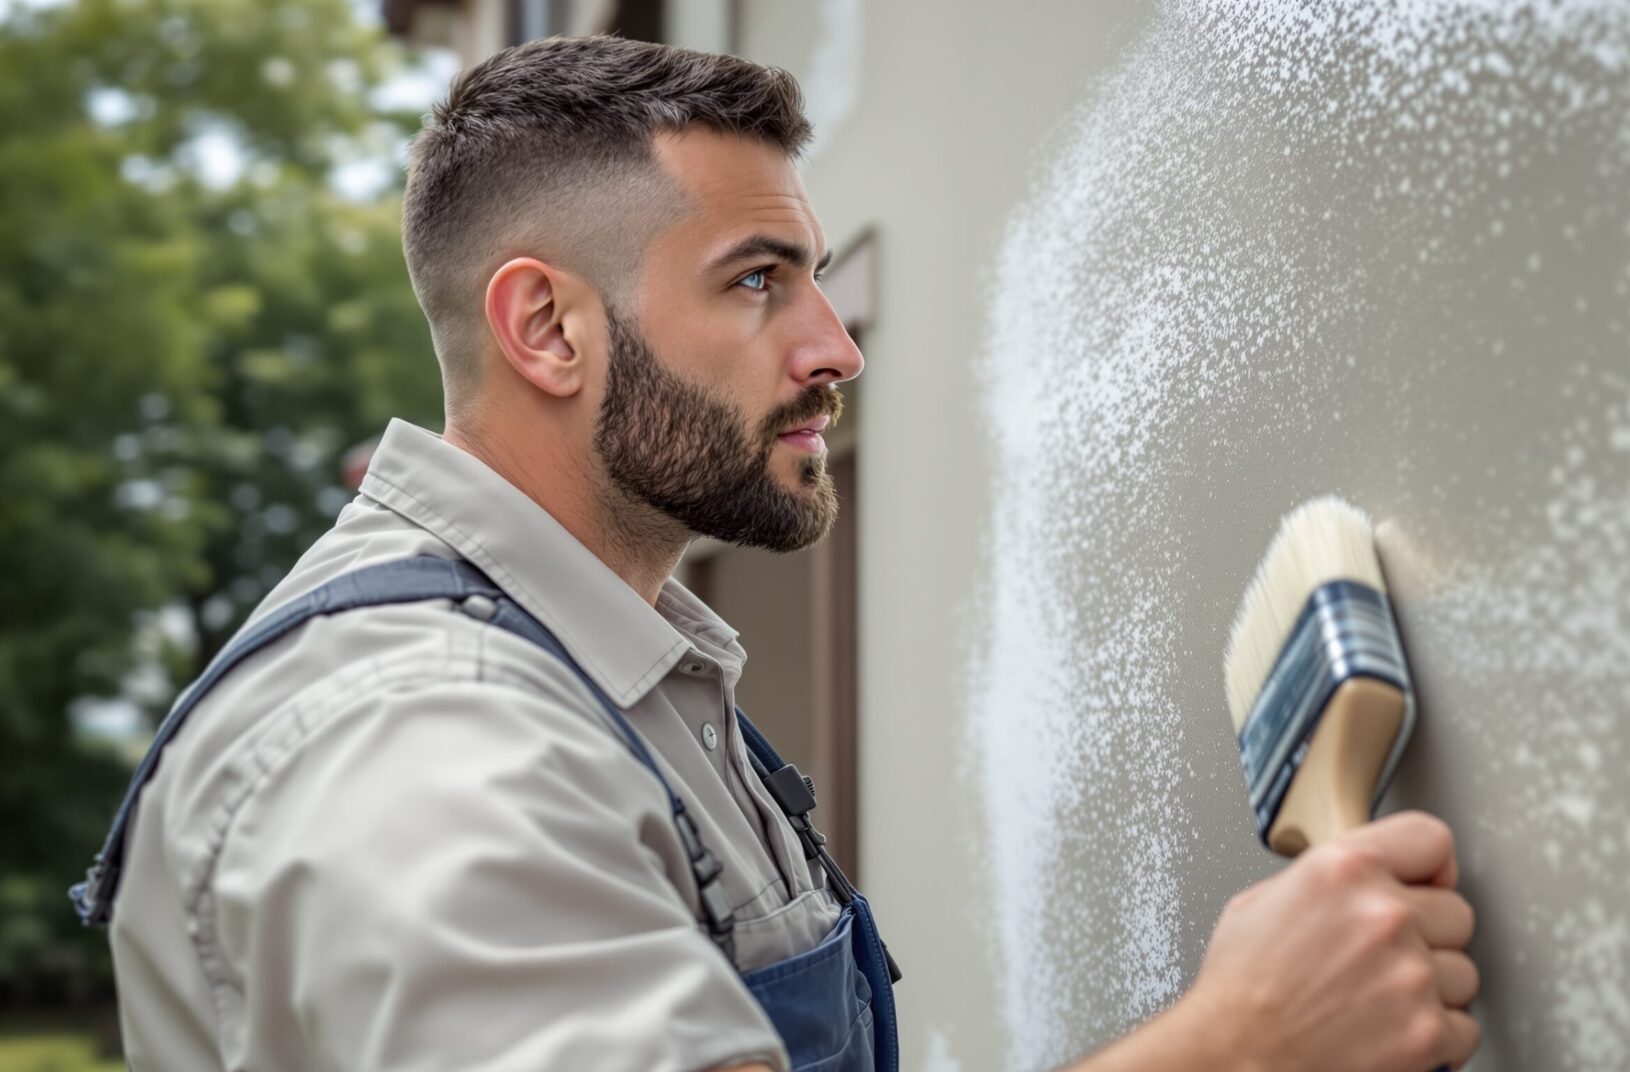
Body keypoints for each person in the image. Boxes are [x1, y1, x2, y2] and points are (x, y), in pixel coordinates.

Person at [81, 36, 1479, 1072]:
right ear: (550, 330)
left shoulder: (614, 671)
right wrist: (1238, 1042)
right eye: (759, 279)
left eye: (815, 275)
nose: (835, 347)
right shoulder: (427, 751)